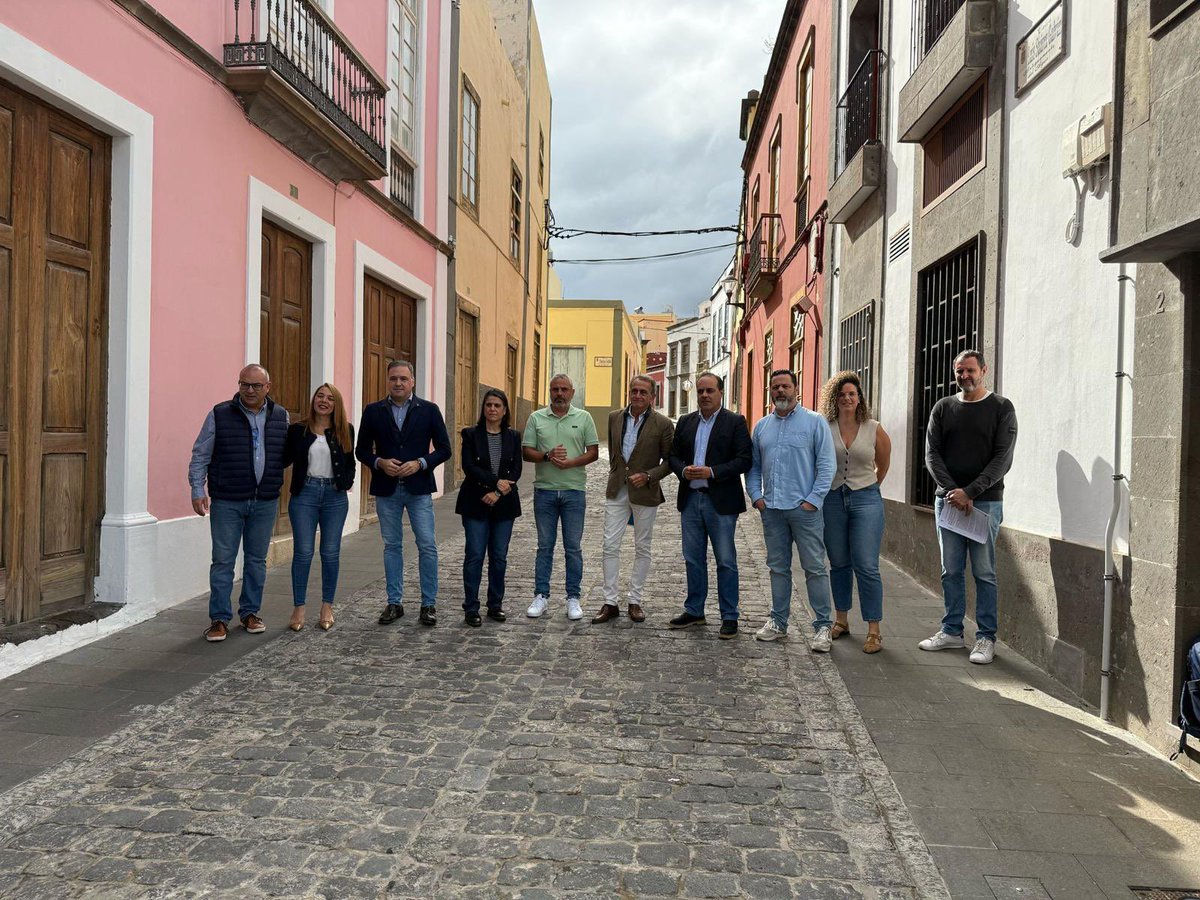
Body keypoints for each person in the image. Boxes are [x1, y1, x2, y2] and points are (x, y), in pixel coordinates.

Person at [918, 349, 1018, 665]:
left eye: (970, 370)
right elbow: (931, 455)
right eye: (960, 371)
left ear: (983, 370)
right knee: (951, 570)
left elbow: (1003, 458)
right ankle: (951, 632)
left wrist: (971, 491)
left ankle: (986, 637)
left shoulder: (1001, 408)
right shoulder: (943, 408)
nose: (965, 376)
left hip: (985, 503)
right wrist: (953, 492)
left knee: (984, 571)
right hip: (947, 503)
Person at [189, 364, 289, 642]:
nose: (250, 390)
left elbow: (286, 454)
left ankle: (250, 613)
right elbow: (200, 454)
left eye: (256, 385)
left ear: (268, 387)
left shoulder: (281, 416)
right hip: (227, 501)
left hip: (265, 501)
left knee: (256, 561)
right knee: (222, 561)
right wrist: (198, 489)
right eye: (244, 384)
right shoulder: (220, 414)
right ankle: (219, 619)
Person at [356, 359, 451, 627]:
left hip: (418, 488)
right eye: (393, 379)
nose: (398, 383)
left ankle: (428, 604)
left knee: (427, 545)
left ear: (413, 382)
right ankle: (394, 602)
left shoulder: (429, 410)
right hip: (387, 490)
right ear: (388, 381)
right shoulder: (373, 411)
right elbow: (361, 450)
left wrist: (420, 463)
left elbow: (445, 449)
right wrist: (379, 463)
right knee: (392, 546)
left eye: (403, 379)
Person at [747, 369, 837, 649]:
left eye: (785, 386)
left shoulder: (814, 422)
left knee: (815, 568)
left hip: (805, 510)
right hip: (772, 509)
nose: (780, 391)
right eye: (775, 387)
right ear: (770, 391)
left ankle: (823, 626)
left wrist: (813, 500)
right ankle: (778, 621)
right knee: (777, 568)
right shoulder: (761, 426)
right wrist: (756, 496)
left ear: (795, 389)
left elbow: (827, 465)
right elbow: (753, 467)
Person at [667, 372, 753, 639]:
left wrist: (712, 472)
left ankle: (729, 616)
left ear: (720, 393)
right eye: (701, 391)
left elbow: (744, 460)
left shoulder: (735, 422)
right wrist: (683, 471)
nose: (704, 395)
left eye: (710, 391)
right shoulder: (685, 422)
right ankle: (695, 611)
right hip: (691, 500)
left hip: (721, 502)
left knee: (726, 561)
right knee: (693, 558)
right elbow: (673, 456)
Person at [592, 375, 674, 625]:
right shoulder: (615, 417)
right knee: (609, 544)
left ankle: (635, 600)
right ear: (629, 392)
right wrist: (618, 474)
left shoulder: (663, 424)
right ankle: (610, 602)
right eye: (634, 391)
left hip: (645, 492)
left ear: (652, 397)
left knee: (643, 546)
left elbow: (671, 461)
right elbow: (615, 454)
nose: (637, 396)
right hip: (617, 490)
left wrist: (649, 475)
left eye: (643, 392)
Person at [819, 371, 892, 653]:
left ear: (859, 398)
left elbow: (883, 466)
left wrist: (867, 488)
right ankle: (841, 620)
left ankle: (874, 629)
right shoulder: (825, 426)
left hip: (866, 499)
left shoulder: (874, 428)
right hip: (833, 499)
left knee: (867, 565)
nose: (848, 398)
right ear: (834, 399)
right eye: (842, 394)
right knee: (838, 562)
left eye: (852, 394)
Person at [522, 374, 600, 620]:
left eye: (564, 389)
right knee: (544, 546)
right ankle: (541, 595)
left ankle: (573, 598)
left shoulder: (584, 418)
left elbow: (594, 452)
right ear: (549, 391)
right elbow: (526, 452)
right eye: (555, 389)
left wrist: (570, 464)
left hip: (574, 491)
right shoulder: (536, 418)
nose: (559, 393)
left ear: (572, 392)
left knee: (573, 548)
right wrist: (546, 456)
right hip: (544, 490)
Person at [283, 383, 356, 632]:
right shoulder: (298, 430)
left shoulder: (345, 430)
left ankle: (327, 605)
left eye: (329, 398)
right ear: (313, 400)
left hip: (334, 497)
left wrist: (346, 483)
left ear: (336, 404)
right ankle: (299, 607)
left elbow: (350, 462)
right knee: (303, 552)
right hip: (305, 494)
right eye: (320, 396)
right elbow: (284, 458)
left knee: (330, 552)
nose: (324, 401)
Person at [456, 389, 523, 627]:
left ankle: (495, 604)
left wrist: (498, 492)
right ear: (483, 408)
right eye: (488, 405)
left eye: (497, 405)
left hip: (504, 503)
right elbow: (469, 467)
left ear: (504, 410)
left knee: (499, 557)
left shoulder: (514, 436)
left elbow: (516, 471)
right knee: (474, 555)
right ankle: (471, 607)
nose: (492, 409)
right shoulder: (471, 434)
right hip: (475, 501)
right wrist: (495, 483)